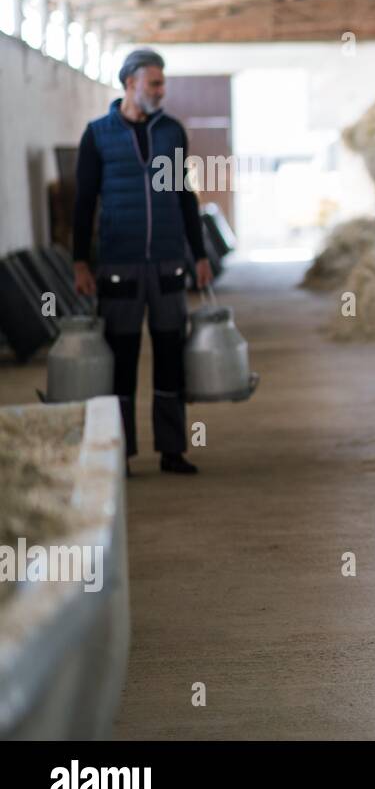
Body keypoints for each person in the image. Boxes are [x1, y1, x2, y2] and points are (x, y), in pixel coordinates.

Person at [72, 48, 213, 476]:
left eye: (162, 82)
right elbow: (84, 202)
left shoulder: (171, 132)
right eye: (154, 82)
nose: (161, 90)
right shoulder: (97, 135)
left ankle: (172, 450)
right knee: (122, 361)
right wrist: (81, 261)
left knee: (171, 357)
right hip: (120, 264)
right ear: (130, 82)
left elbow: (185, 195)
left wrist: (199, 253)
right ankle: (121, 453)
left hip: (169, 262)